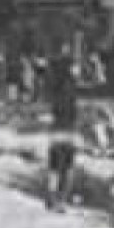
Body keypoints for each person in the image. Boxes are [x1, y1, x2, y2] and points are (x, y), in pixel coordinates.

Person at [44, 44, 79, 211]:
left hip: (56, 130)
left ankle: (51, 198)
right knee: (67, 169)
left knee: (54, 167)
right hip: (69, 131)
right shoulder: (70, 85)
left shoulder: (55, 85)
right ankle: (61, 200)